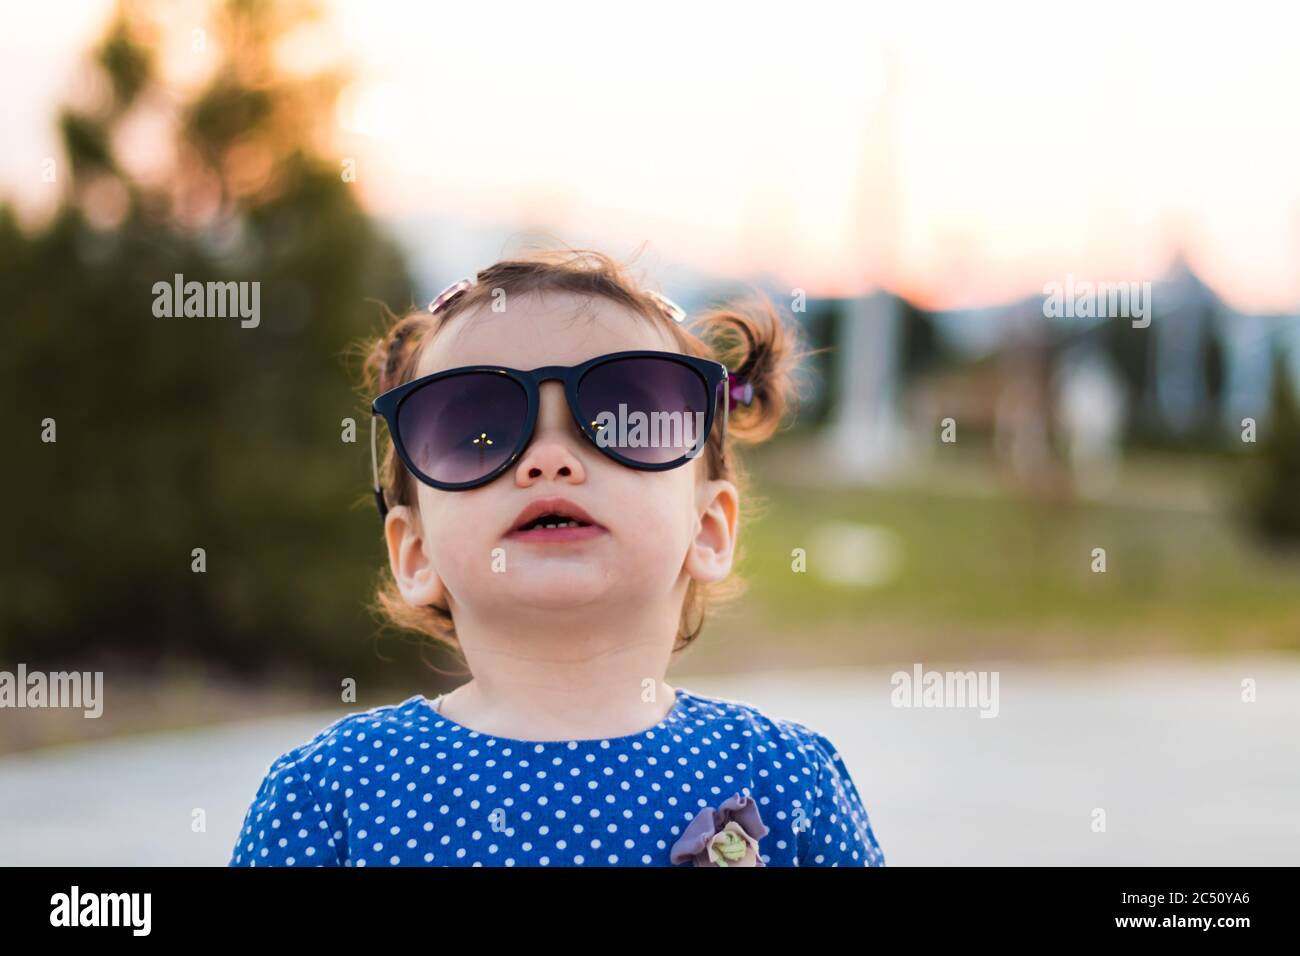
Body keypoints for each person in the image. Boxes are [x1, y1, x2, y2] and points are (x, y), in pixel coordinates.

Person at [229, 248, 885, 867]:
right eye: (475, 431)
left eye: (624, 417)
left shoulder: (786, 781)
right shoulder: (331, 798)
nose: (550, 458)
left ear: (708, 529)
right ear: (415, 550)